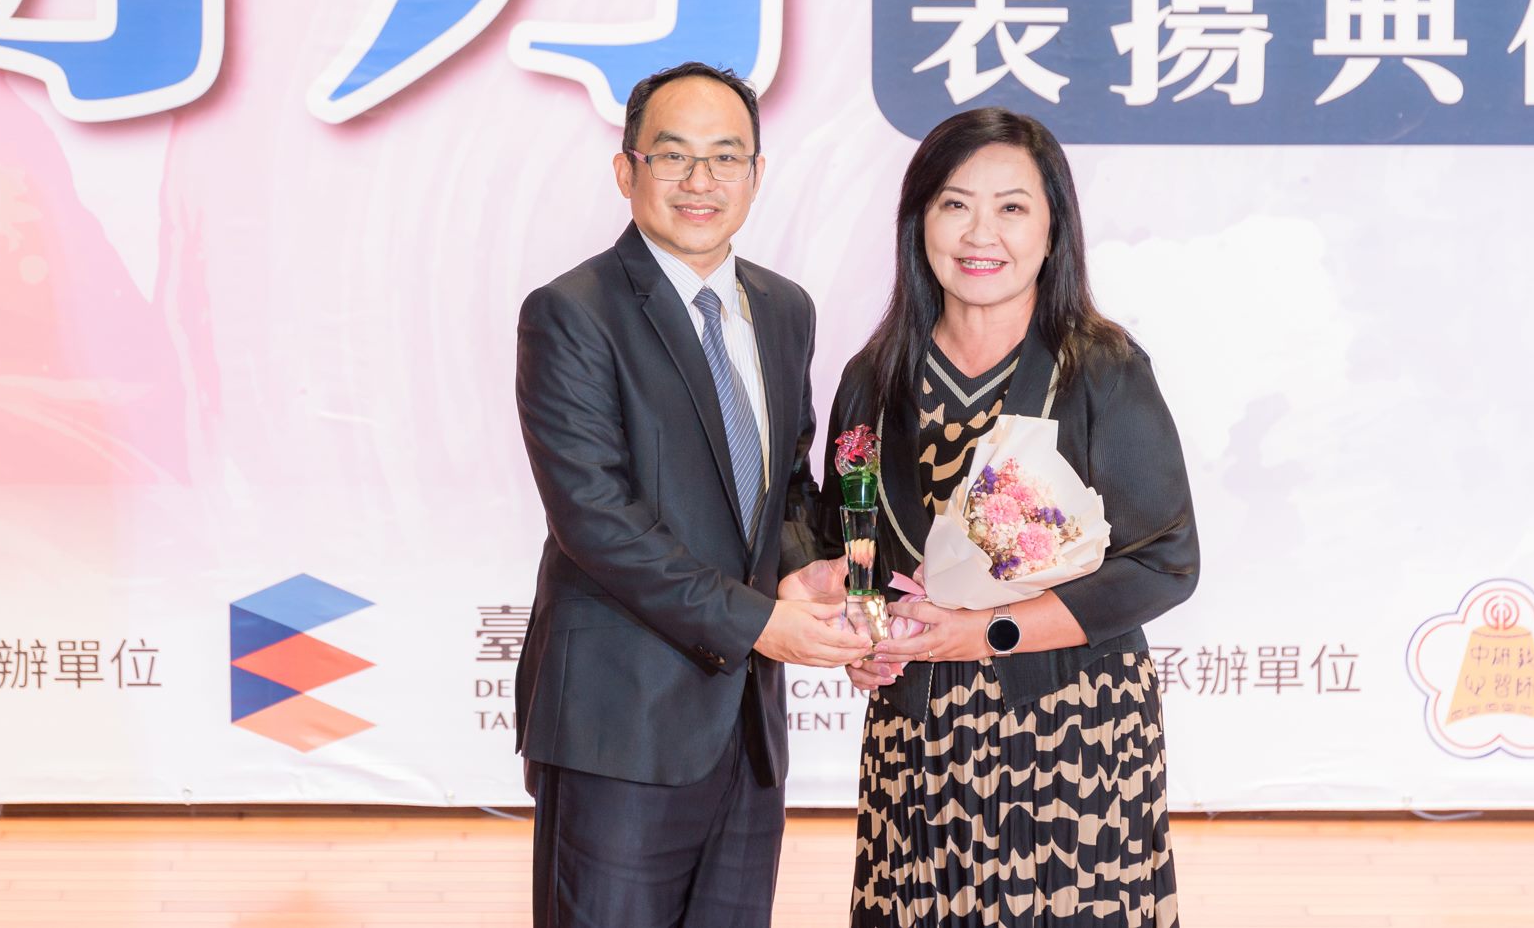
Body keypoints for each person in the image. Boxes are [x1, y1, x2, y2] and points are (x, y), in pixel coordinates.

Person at [812, 107, 1200, 927]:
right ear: (918, 222)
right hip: (919, 738)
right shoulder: (872, 379)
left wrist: (989, 631)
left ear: (1053, 231)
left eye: (1012, 207)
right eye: (954, 204)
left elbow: (1165, 561)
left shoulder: (1101, 370)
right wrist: (863, 637)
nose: (979, 233)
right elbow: (847, 542)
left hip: (1072, 734)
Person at [513, 62, 868, 928]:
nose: (700, 181)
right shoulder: (571, 313)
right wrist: (760, 623)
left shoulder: (784, 310)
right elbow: (597, 521)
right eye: (673, 156)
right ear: (626, 169)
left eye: (725, 157)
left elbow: (787, 481)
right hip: (619, 723)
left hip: (747, 729)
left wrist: (803, 571)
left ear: (756, 172)